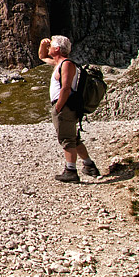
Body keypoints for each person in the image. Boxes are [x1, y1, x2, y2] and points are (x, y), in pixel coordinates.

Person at [38, 35, 100, 183]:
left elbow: (65, 88)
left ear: (57, 49)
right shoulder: (59, 63)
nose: (49, 48)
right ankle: (89, 165)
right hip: (66, 106)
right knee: (74, 138)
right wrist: (42, 44)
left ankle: (71, 171)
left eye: (51, 45)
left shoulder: (66, 64)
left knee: (67, 139)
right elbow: (42, 57)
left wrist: (58, 107)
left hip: (65, 106)